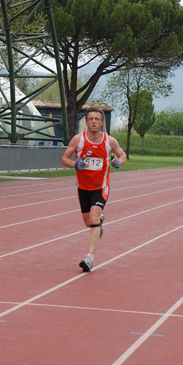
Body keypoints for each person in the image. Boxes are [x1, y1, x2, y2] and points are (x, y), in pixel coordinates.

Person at [61, 107, 127, 272]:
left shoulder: (109, 141)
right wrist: (76, 164)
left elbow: (122, 155)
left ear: (102, 122)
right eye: (91, 119)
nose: (94, 122)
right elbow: (64, 159)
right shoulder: (78, 140)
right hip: (83, 187)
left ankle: (89, 258)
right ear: (86, 122)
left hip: (101, 187)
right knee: (88, 222)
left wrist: (119, 162)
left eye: (97, 119)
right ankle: (99, 223)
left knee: (94, 216)